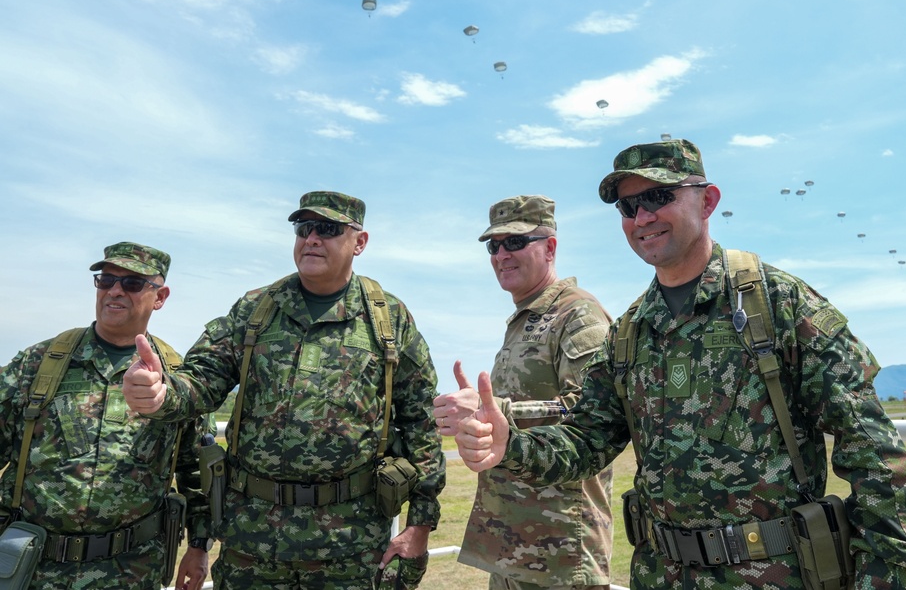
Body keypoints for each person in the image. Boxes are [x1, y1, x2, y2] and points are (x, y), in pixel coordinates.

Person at [455, 140, 906, 590]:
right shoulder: (630, 332)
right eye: (628, 206)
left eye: (658, 196)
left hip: (773, 574)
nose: (642, 216)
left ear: (707, 202)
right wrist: (509, 444)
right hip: (663, 573)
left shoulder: (776, 303)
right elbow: (586, 443)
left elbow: (872, 449)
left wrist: (882, 573)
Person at [121, 191, 445, 590]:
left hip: (351, 543)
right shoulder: (256, 309)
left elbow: (420, 424)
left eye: (327, 229)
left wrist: (420, 524)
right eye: (303, 228)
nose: (311, 238)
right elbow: (202, 381)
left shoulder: (388, 319)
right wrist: (161, 393)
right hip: (253, 541)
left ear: (359, 242)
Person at [0, 241, 213, 590]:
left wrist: (199, 547)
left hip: (132, 569)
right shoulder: (38, 364)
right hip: (35, 567)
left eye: (131, 283)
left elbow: (195, 472)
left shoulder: (176, 378)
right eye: (106, 280)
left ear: (159, 297)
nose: (115, 291)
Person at [434, 195, 614, 590]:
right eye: (493, 246)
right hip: (514, 546)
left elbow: (593, 415)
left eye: (515, 242)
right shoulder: (524, 319)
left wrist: (492, 410)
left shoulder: (577, 314)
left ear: (550, 248)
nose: (501, 254)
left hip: (562, 550)